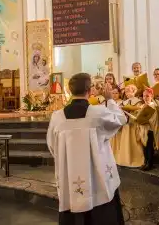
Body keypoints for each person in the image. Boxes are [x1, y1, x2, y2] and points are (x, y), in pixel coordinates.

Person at [47, 73, 126, 225]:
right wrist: (110, 99)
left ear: (70, 91)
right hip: (97, 179)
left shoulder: (57, 117)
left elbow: (52, 146)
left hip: (70, 178)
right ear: (90, 90)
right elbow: (120, 119)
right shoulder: (98, 113)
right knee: (102, 202)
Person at [116, 85, 144, 168]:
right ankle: (125, 159)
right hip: (126, 125)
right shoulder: (123, 102)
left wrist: (132, 111)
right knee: (125, 141)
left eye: (129, 91)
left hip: (133, 124)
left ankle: (135, 159)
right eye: (126, 91)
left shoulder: (138, 101)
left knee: (134, 142)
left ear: (134, 91)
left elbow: (140, 112)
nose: (127, 93)